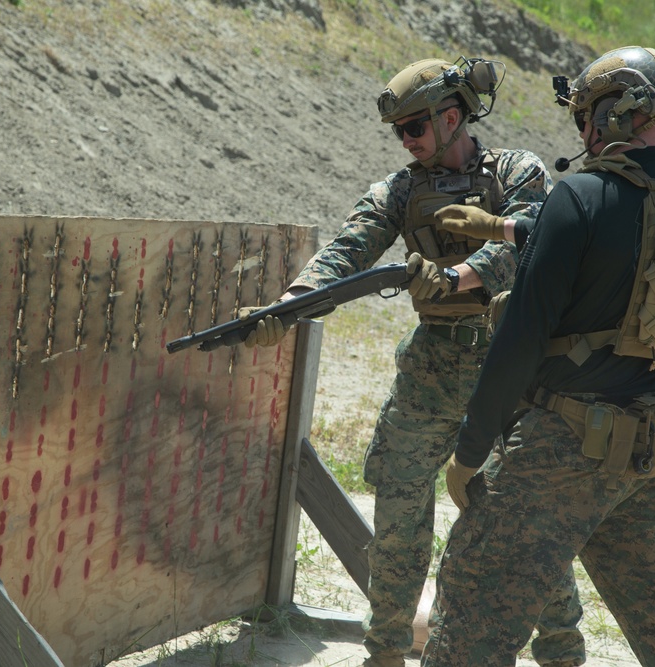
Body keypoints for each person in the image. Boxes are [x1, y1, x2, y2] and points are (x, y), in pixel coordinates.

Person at [242, 57, 585, 667]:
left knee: (526, 520)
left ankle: (561, 651)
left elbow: (530, 248)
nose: (407, 141)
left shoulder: (518, 172)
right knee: (398, 513)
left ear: (452, 117)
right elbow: (349, 248)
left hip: (510, 368)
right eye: (400, 132)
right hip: (431, 368)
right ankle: (386, 653)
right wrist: (292, 304)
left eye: (415, 128)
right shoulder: (402, 190)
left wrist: (456, 277)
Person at [422, 46, 655, 666]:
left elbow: (522, 338)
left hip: (570, 447)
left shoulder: (580, 194)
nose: (582, 130)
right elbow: (621, 251)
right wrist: (506, 229)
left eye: (586, 114)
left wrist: (471, 450)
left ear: (612, 113)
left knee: (475, 608)